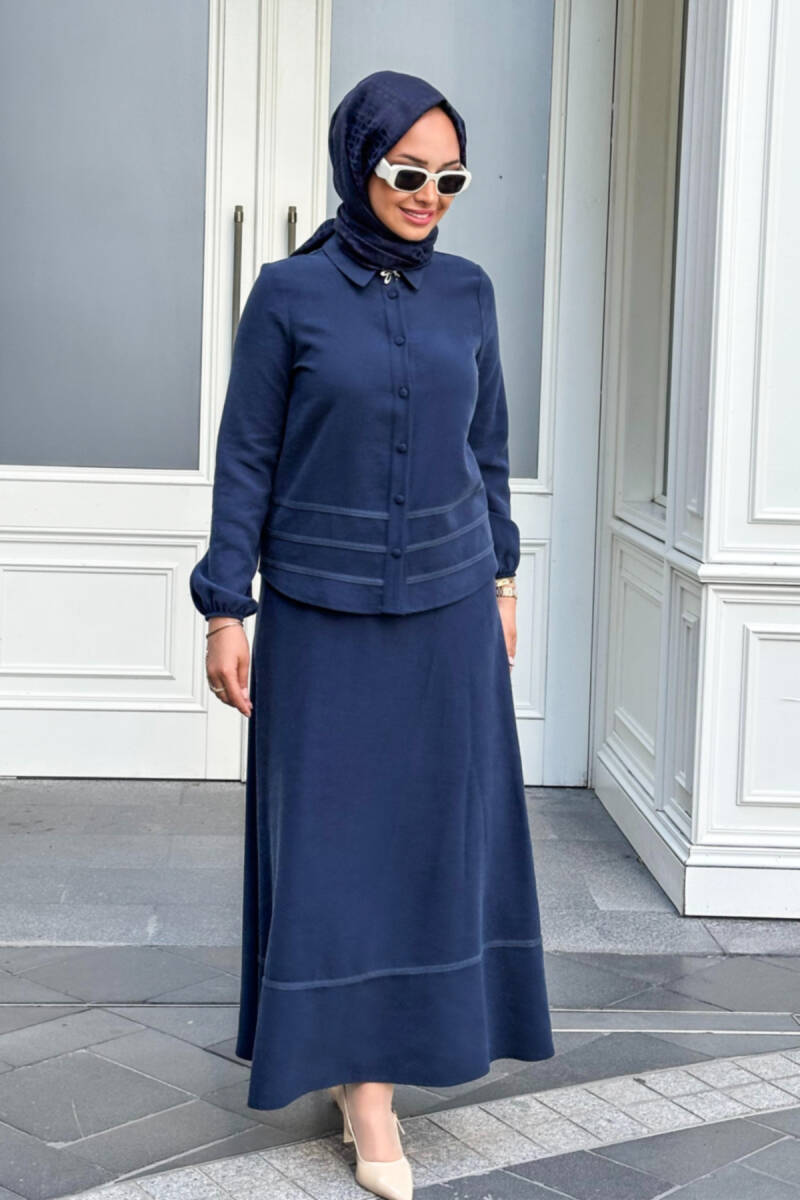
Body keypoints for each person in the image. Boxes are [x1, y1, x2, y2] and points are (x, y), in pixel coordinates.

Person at [190, 69, 555, 1200]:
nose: (428, 194)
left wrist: (502, 576)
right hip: (320, 618)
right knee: (334, 854)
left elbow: (487, 448)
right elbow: (247, 458)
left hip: (448, 613)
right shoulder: (288, 294)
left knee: (431, 848)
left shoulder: (470, 293)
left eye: (450, 178)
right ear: (360, 163)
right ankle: (360, 1088)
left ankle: (383, 1075)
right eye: (407, 171)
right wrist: (224, 606)